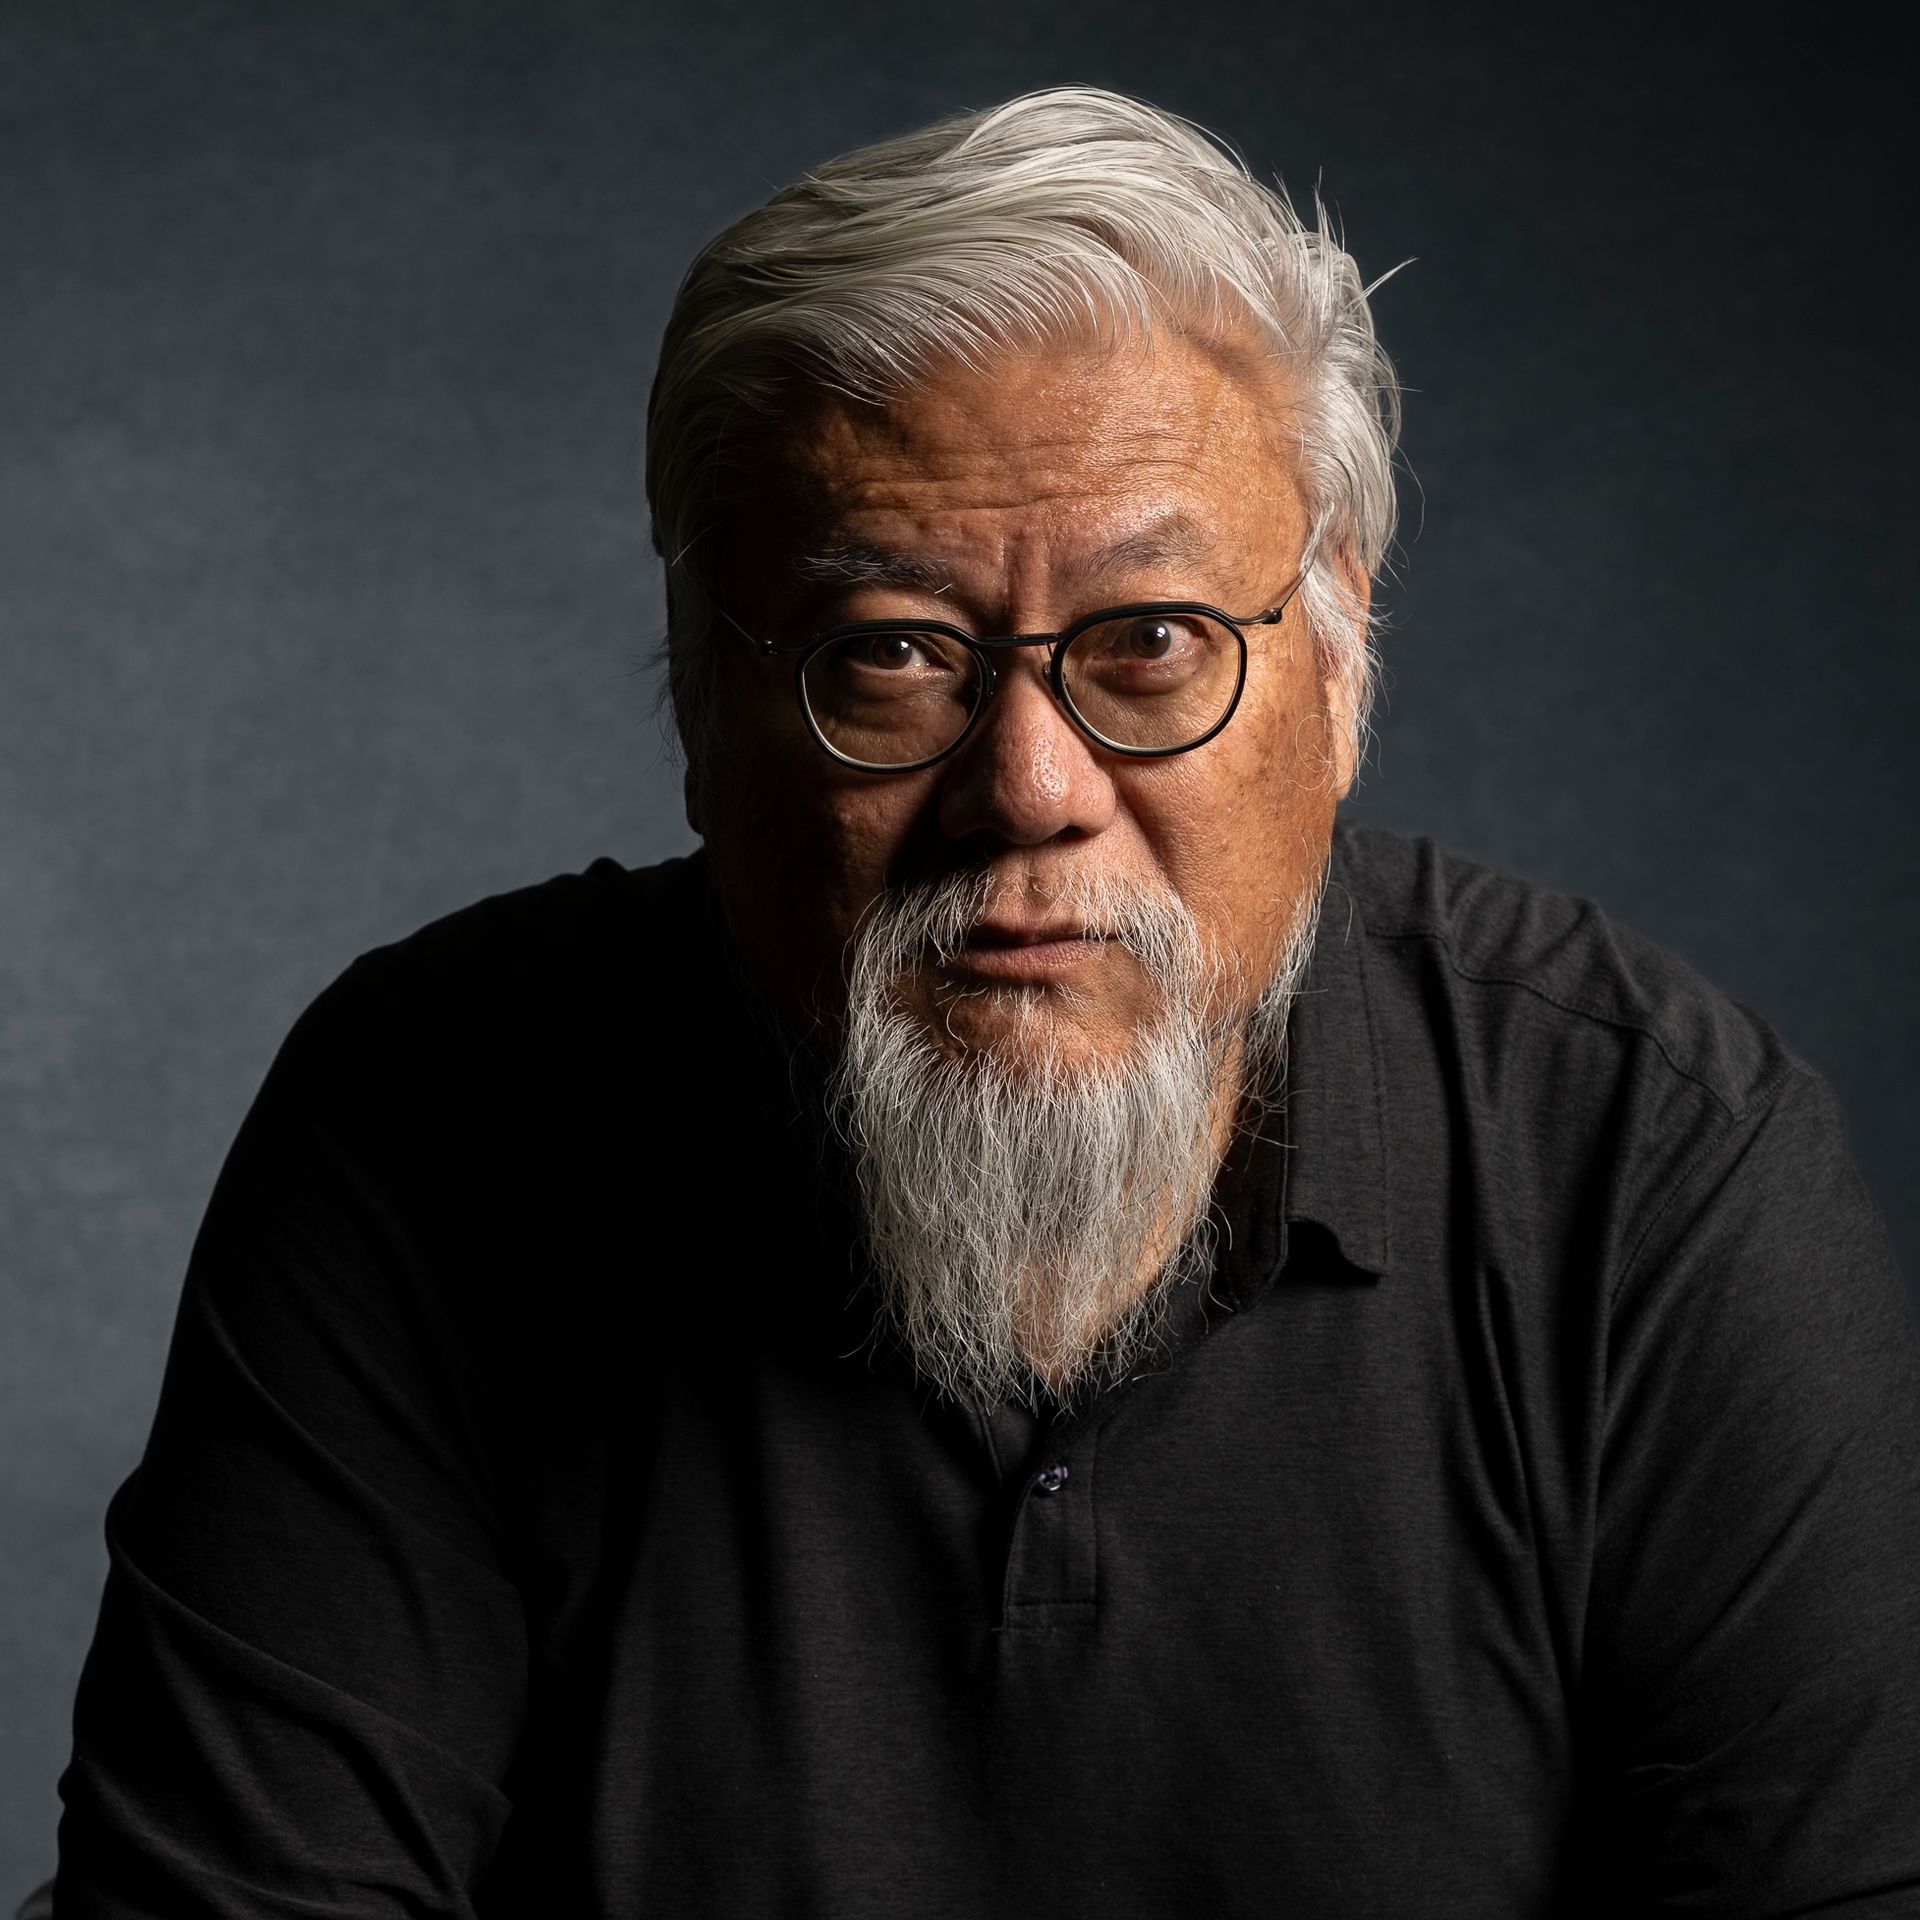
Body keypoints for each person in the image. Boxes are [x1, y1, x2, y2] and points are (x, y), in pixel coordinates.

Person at [52, 87, 1920, 1918]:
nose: (1028, 783)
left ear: (1340, 665)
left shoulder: (1645, 1157)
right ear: (703, 707)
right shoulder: (436, 1120)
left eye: (1154, 642)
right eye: (890, 656)